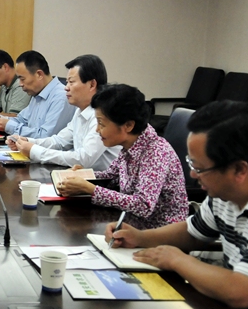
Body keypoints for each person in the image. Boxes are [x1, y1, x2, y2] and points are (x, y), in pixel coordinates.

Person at [107, 101, 248, 309]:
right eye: (192, 163)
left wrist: (177, 260)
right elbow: (193, 232)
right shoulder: (224, 194)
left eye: (200, 168)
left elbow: (242, 291)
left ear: (239, 170)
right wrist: (140, 237)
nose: (192, 174)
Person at [58, 84, 188, 229]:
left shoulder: (156, 152)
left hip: (158, 233)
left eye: (101, 123)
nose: (97, 129)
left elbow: (143, 205)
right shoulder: (131, 145)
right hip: (129, 224)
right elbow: (111, 176)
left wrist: (91, 190)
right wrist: (83, 176)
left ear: (128, 125)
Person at [8, 54, 120, 170]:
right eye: (67, 82)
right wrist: (27, 142)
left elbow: (83, 159)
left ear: (92, 84)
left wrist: (34, 150)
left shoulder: (103, 116)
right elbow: (59, 141)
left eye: (71, 82)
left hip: (103, 179)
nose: (66, 87)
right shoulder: (80, 111)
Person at [0, 50, 75, 138]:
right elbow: (21, 120)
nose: (20, 84)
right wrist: (0, 119)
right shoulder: (37, 94)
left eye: (22, 79)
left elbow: (46, 136)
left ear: (39, 74)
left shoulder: (61, 97)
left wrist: (9, 126)